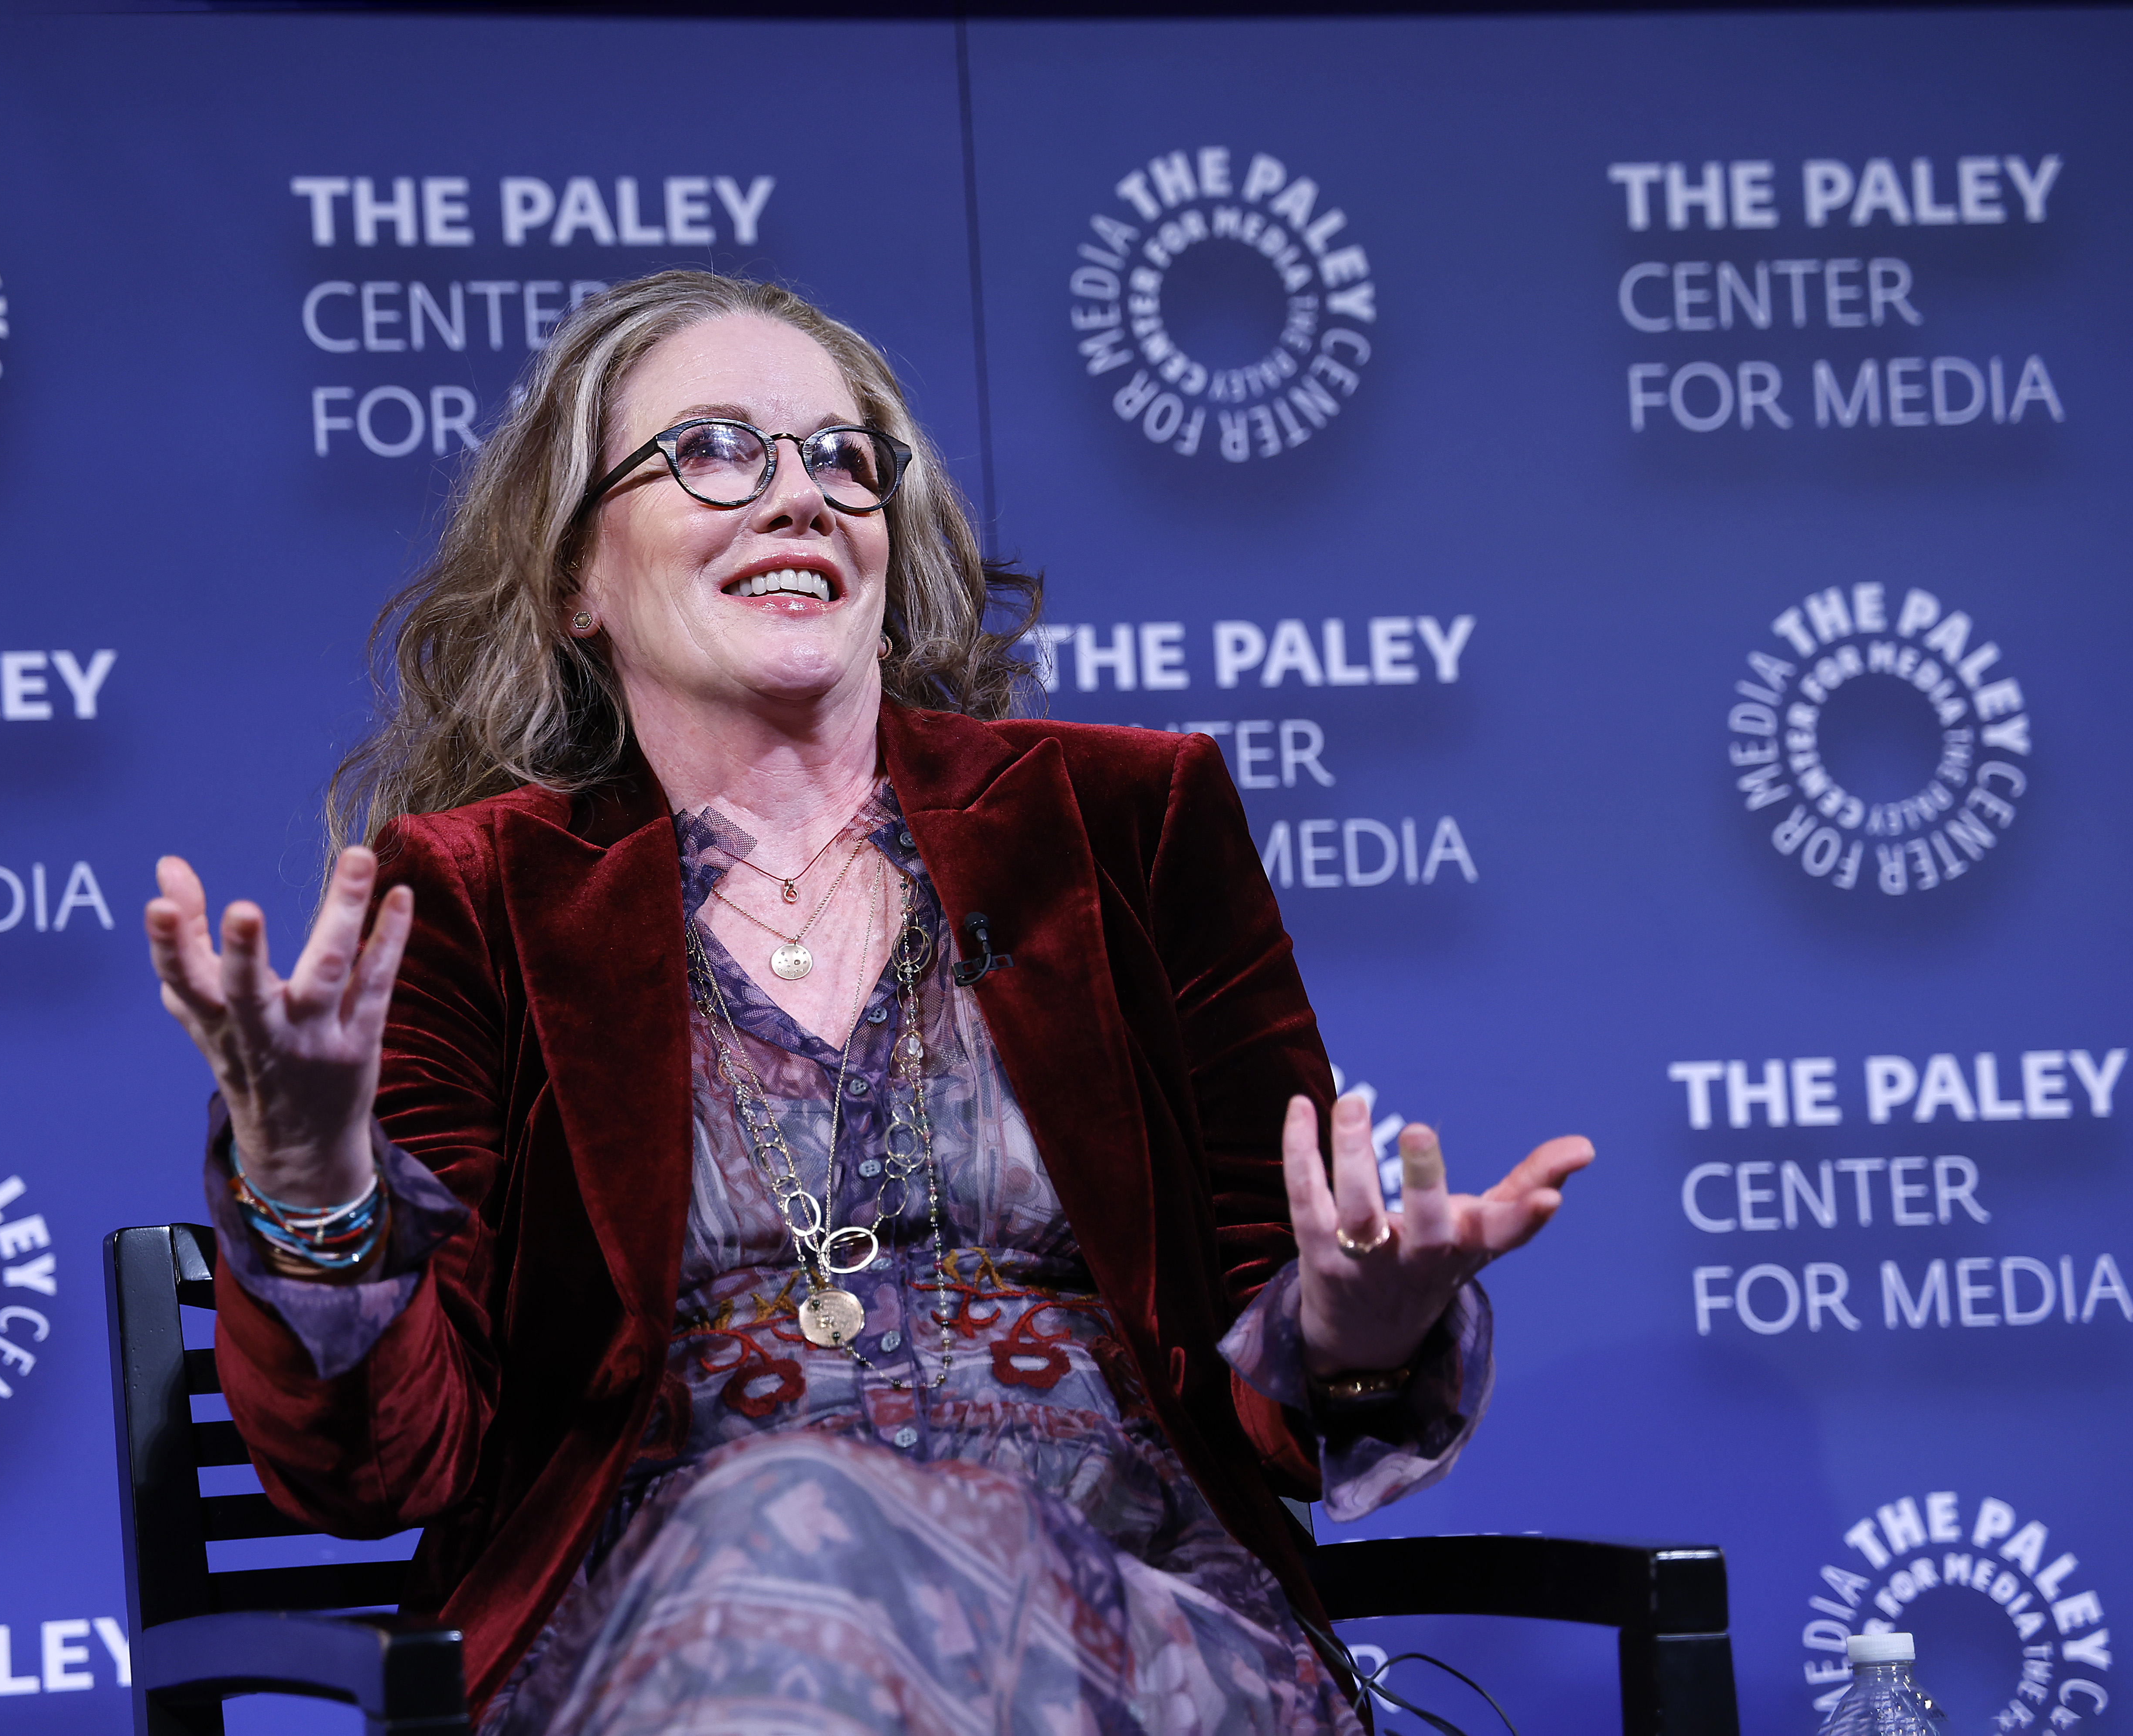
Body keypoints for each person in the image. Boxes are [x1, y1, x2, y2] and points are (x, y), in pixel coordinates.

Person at [145, 270, 1591, 1735]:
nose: (800, 499)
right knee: (782, 1520)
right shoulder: (467, 900)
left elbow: (1267, 1381)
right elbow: (373, 1471)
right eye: (715, 450)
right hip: (655, 1651)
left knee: (810, 1522)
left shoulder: (1127, 827)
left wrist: (1353, 1331)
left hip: (1133, 1635)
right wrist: (318, 1184)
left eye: (842, 460)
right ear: (577, 573)